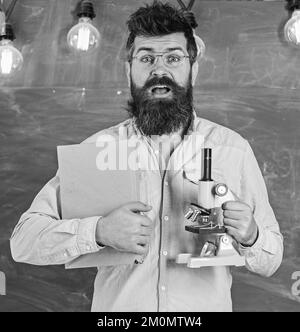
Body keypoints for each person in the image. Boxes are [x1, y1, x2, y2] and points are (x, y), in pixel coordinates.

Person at [10, 1, 283, 312]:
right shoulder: (99, 150)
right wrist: (98, 231)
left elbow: (271, 260)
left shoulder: (232, 150)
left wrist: (251, 235)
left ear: (194, 68)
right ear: (129, 69)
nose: (159, 70)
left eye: (173, 58)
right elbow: (24, 241)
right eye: (147, 58)